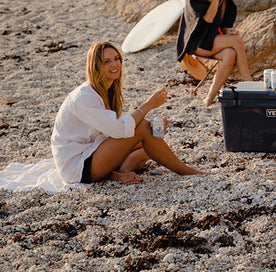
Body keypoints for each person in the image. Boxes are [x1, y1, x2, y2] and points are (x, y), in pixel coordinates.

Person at [51, 41, 202, 186]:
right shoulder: (84, 97)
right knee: (143, 128)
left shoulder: (106, 91)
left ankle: (121, 171)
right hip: (78, 166)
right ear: (95, 67)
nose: (115, 64)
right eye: (107, 62)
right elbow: (118, 130)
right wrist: (148, 105)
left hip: (93, 149)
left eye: (117, 59)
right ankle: (187, 171)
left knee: (150, 138)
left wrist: (155, 130)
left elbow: (114, 128)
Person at [176, 0, 252, 106]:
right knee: (237, 42)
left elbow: (222, 25)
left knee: (230, 53)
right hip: (197, 42)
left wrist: (229, 31)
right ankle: (248, 82)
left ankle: (210, 97)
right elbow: (208, 19)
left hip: (212, 39)